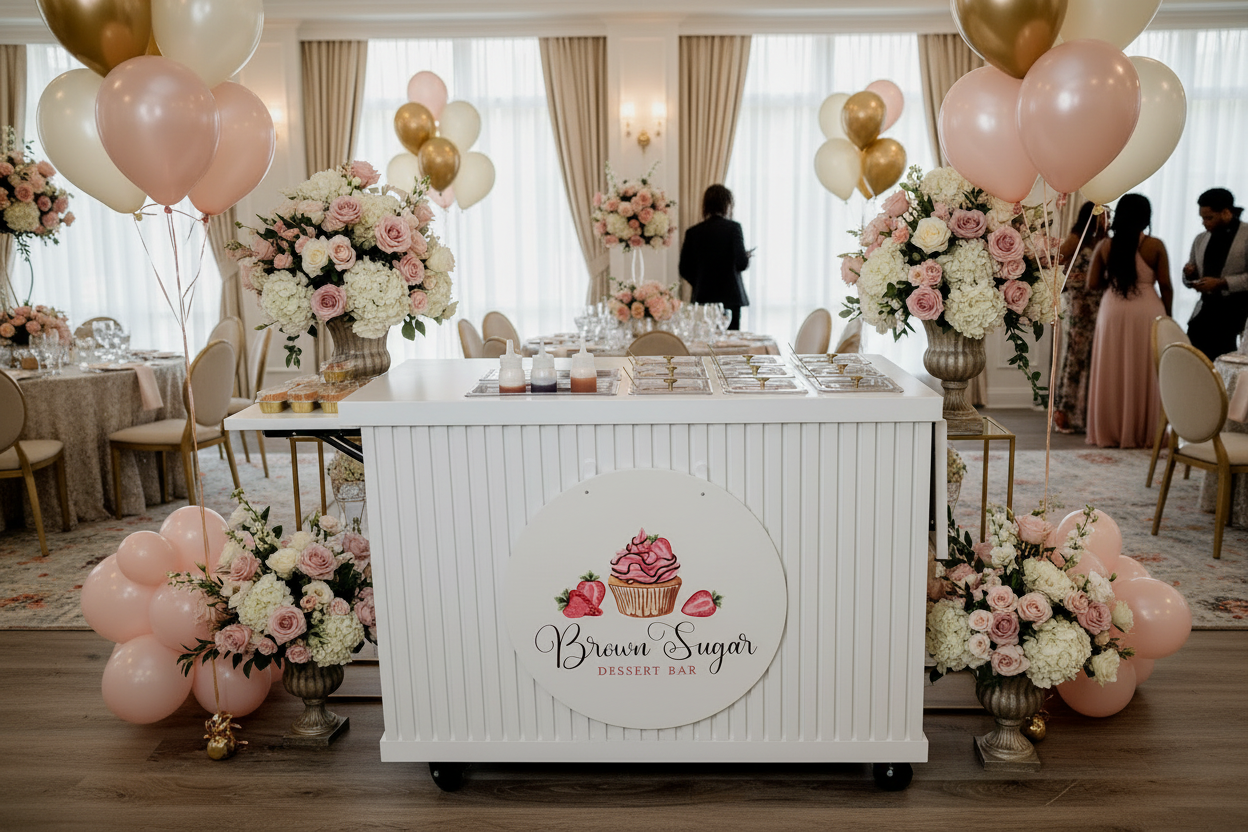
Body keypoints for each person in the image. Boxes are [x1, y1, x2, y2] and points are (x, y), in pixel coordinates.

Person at [1084, 193, 1173, 449]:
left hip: (1113, 310)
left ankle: (1110, 431)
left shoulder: (1105, 246)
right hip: (1147, 311)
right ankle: (1143, 432)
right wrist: (1169, 316)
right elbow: (1166, 285)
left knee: (1112, 367)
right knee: (1144, 369)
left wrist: (1114, 282)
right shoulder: (1155, 245)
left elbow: (1092, 283)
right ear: (1146, 217)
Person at [1051, 201, 1110, 434]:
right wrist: (1069, 283)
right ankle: (1065, 412)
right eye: (1104, 216)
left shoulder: (1103, 240)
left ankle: (1086, 414)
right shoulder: (1078, 238)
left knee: (1093, 357)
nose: (1108, 220)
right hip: (1079, 304)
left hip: (1099, 304)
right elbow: (1054, 262)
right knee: (1075, 355)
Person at [1183, 188, 1248, 360]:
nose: (1204, 223)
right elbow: (1191, 271)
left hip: (1236, 314)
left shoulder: (1246, 235)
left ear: (1226, 213)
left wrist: (1221, 283)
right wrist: (1189, 275)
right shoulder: (1201, 238)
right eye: (1202, 218)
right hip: (1205, 313)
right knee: (1194, 362)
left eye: (1209, 217)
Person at [678, 184, 751, 330]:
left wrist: (700, 281)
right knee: (731, 345)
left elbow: (684, 269)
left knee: (705, 343)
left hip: (703, 297)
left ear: (706, 205)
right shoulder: (734, 228)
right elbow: (741, 263)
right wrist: (746, 257)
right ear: (727, 204)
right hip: (731, 297)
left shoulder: (693, 232)